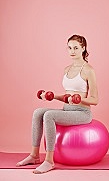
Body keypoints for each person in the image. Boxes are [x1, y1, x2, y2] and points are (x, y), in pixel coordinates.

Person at [16, 34, 98, 174]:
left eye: (76, 48)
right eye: (69, 48)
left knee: (49, 115)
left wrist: (79, 99)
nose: (72, 51)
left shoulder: (88, 70)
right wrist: (53, 96)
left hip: (82, 113)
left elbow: (95, 99)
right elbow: (67, 97)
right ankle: (34, 155)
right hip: (67, 110)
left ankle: (49, 161)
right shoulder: (67, 69)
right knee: (38, 112)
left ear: (83, 48)